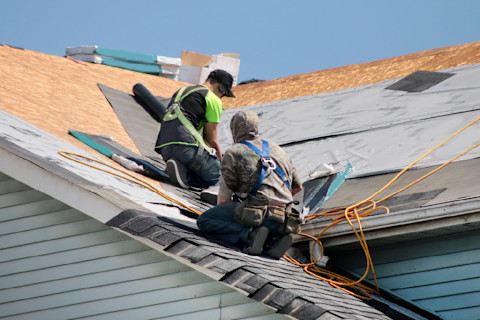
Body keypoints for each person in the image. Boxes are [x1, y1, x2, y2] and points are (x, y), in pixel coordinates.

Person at [197, 110, 303, 259]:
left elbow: (223, 200)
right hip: (284, 218)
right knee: (263, 223)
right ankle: (273, 240)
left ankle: (249, 235)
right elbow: (298, 187)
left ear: (234, 130)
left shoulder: (234, 152)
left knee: (205, 221)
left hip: (255, 214)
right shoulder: (279, 151)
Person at [155, 69, 235, 189]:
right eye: (225, 93)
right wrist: (222, 163)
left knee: (199, 167)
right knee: (221, 177)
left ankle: (182, 169)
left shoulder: (182, 91)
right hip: (185, 148)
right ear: (222, 88)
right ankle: (214, 192)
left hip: (165, 148)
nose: (223, 97)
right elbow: (212, 141)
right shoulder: (213, 99)